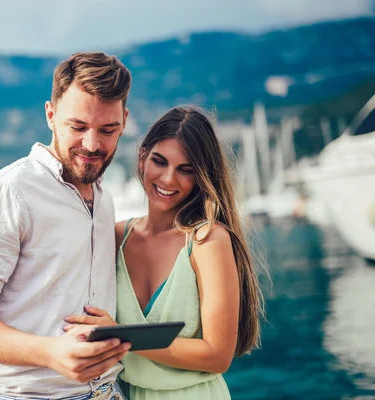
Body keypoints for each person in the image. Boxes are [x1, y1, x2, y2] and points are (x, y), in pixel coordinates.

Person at [0, 52, 133, 399]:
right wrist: (50, 352)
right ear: (50, 114)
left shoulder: (104, 196)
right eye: (77, 127)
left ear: (124, 122)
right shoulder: (8, 192)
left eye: (108, 130)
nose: (92, 145)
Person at [65, 106, 266, 399]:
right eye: (160, 162)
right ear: (142, 157)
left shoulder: (207, 240)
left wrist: (120, 334)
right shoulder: (115, 236)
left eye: (186, 170)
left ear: (201, 176)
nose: (169, 179)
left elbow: (217, 355)